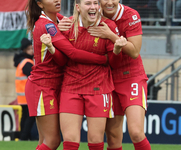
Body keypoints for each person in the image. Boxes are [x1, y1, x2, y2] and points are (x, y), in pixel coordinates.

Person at [25, 0, 118, 150]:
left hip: (56, 84)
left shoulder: (60, 20)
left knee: (45, 141)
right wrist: (103, 59)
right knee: (52, 141)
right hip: (43, 85)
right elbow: (72, 54)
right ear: (40, 4)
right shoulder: (46, 25)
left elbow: (62, 61)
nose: (57, 0)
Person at [87, 0, 151, 150]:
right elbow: (77, 20)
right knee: (113, 139)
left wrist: (110, 35)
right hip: (107, 78)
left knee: (136, 133)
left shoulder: (131, 15)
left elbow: (134, 51)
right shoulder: (94, 14)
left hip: (131, 77)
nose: (109, 2)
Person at [13, 37, 36, 141]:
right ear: (25, 50)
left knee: (25, 117)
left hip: (22, 96)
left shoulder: (21, 62)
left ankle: (24, 137)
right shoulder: (27, 62)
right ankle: (24, 137)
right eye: (30, 49)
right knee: (30, 118)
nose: (32, 51)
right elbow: (34, 76)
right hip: (27, 96)